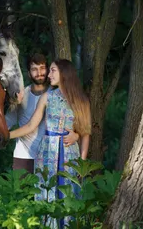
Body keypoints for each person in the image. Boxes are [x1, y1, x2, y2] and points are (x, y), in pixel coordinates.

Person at [9, 58, 91, 228]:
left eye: (53, 70)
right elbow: (31, 125)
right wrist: (6, 135)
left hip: (70, 154)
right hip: (47, 153)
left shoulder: (81, 99)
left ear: (64, 73)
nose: (49, 74)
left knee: (69, 192)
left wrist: (82, 164)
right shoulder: (47, 97)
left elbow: (85, 133)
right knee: (47, 191)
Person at [5, 53, 50, 174]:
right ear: (29, 73)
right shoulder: (21, 95)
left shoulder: (55, 95)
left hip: (49, 155)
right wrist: (10, 102)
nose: (39, 73)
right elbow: (6, 123)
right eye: (34, 69)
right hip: (23, 155)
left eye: (42, 68)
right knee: (21, 192)